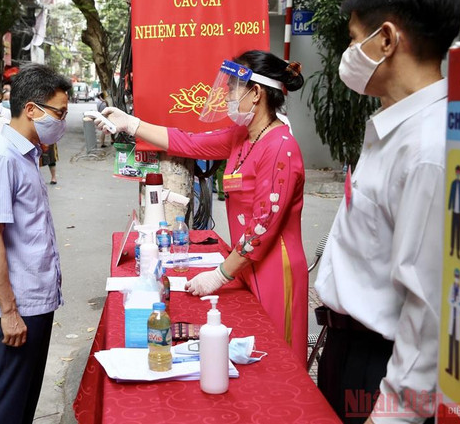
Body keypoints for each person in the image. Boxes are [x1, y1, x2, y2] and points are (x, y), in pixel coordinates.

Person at [313, 0, 460, 423]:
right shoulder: (393, 127)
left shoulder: (429, 148)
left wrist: (391, 415)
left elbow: (429, 314)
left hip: (379, 368)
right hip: (346, 348)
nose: (348, 53)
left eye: (354, 38)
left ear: (386, 39)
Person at [90, 50, 309, 363]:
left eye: (234, 88)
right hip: (245, 263)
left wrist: (220, 274)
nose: (229, 95)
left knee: (277, 357)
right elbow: (188, 142)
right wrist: (132, 124)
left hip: (276, 269)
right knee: (251, 348)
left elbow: (263, 226)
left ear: (256, 93)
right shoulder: (244, 137)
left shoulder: (280, 147)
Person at [0, 63, 71, 423]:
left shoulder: (27, 154)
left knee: (22, 402)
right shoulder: (1, 159)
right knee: (6, 407)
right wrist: (9, 312)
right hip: (18, 305)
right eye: (59, 112)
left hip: (35, 301)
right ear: (31, 109)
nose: (62, 120)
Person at [448, 165, 460, 259]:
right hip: (454, 210)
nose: (458, 174)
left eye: (459, 172)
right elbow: (451, 195)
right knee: (452, 231)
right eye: (457, 172)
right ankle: (452, 249)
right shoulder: (453, 184)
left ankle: (458, 251)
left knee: (458, 232)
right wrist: (449, 207)